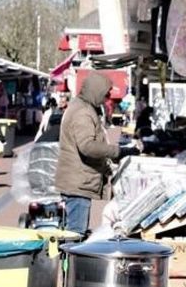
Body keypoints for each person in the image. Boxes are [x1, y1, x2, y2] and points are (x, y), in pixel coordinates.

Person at [55, 72, 141, 235]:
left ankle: (69, 258)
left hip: (78, 180)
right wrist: (118, 151)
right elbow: (87, 146)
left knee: (74, 231)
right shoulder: (82, 112)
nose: (107, 97)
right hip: (78, 183)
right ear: (96, 91)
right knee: (75, 234)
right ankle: (69, 260)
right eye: (105, 93)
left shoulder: (82, 107)